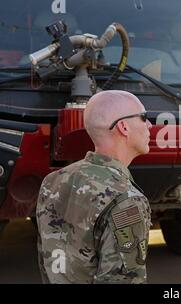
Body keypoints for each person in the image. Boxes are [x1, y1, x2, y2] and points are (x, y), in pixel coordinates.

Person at [36, 90, 152, 283]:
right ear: (124, 127)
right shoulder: (127, 200)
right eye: (144, 117)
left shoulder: (53, 180)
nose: (149, 124)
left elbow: (48, 260)